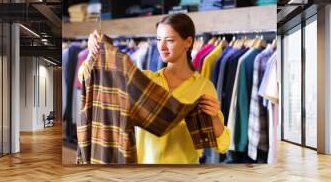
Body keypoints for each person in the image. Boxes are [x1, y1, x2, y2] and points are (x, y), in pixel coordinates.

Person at [86, 13, 230, 164]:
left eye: (169, 40)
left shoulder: (203, 87)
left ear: (188, 42)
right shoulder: (145, 80)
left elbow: (223, 146)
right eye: (159, 39)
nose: (161, 47)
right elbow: (92, 81)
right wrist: (93, 53)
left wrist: (213, 117)